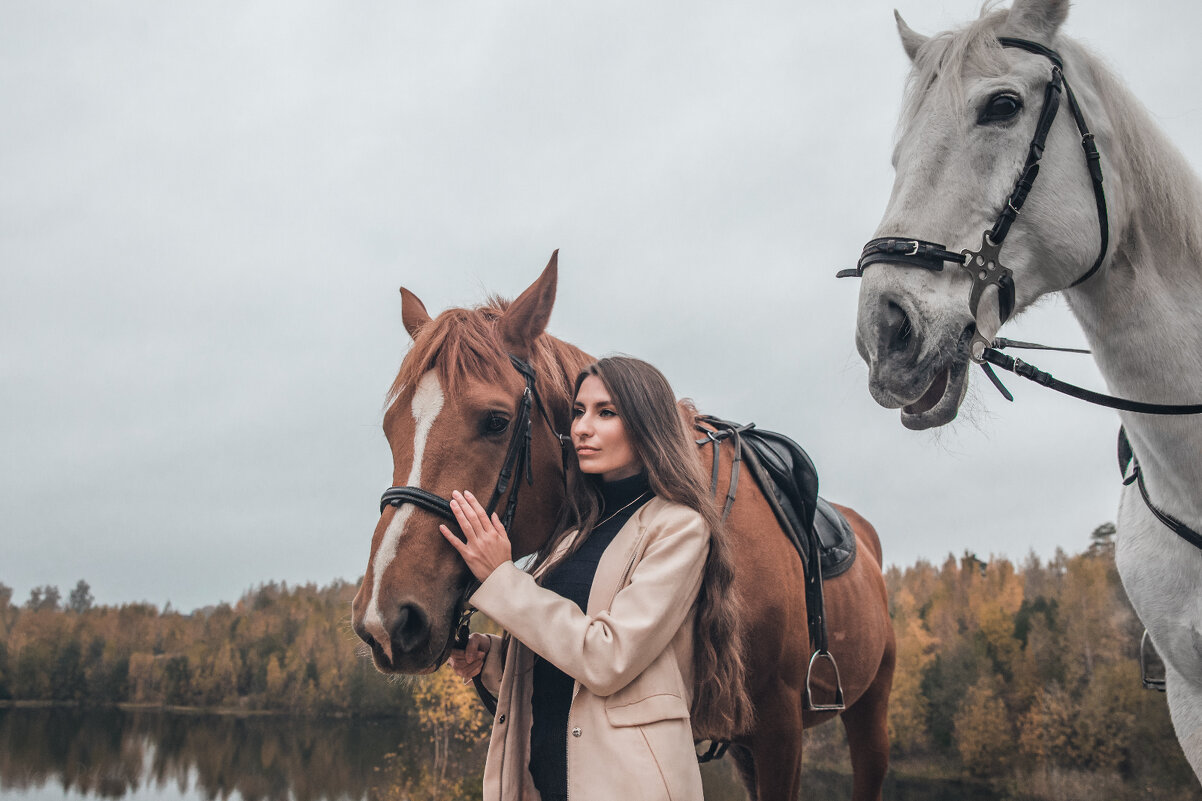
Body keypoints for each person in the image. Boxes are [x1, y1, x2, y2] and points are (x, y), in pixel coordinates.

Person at [441, 355, 752, 801]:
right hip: (546, 782)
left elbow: (608, 658)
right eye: (579, 411)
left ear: (648, 425)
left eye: (606, 413)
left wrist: (501, 578)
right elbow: (564, 650)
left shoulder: (679, 528)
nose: (583, 428)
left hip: (628, 785)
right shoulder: (574, 531)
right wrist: (494, 658)